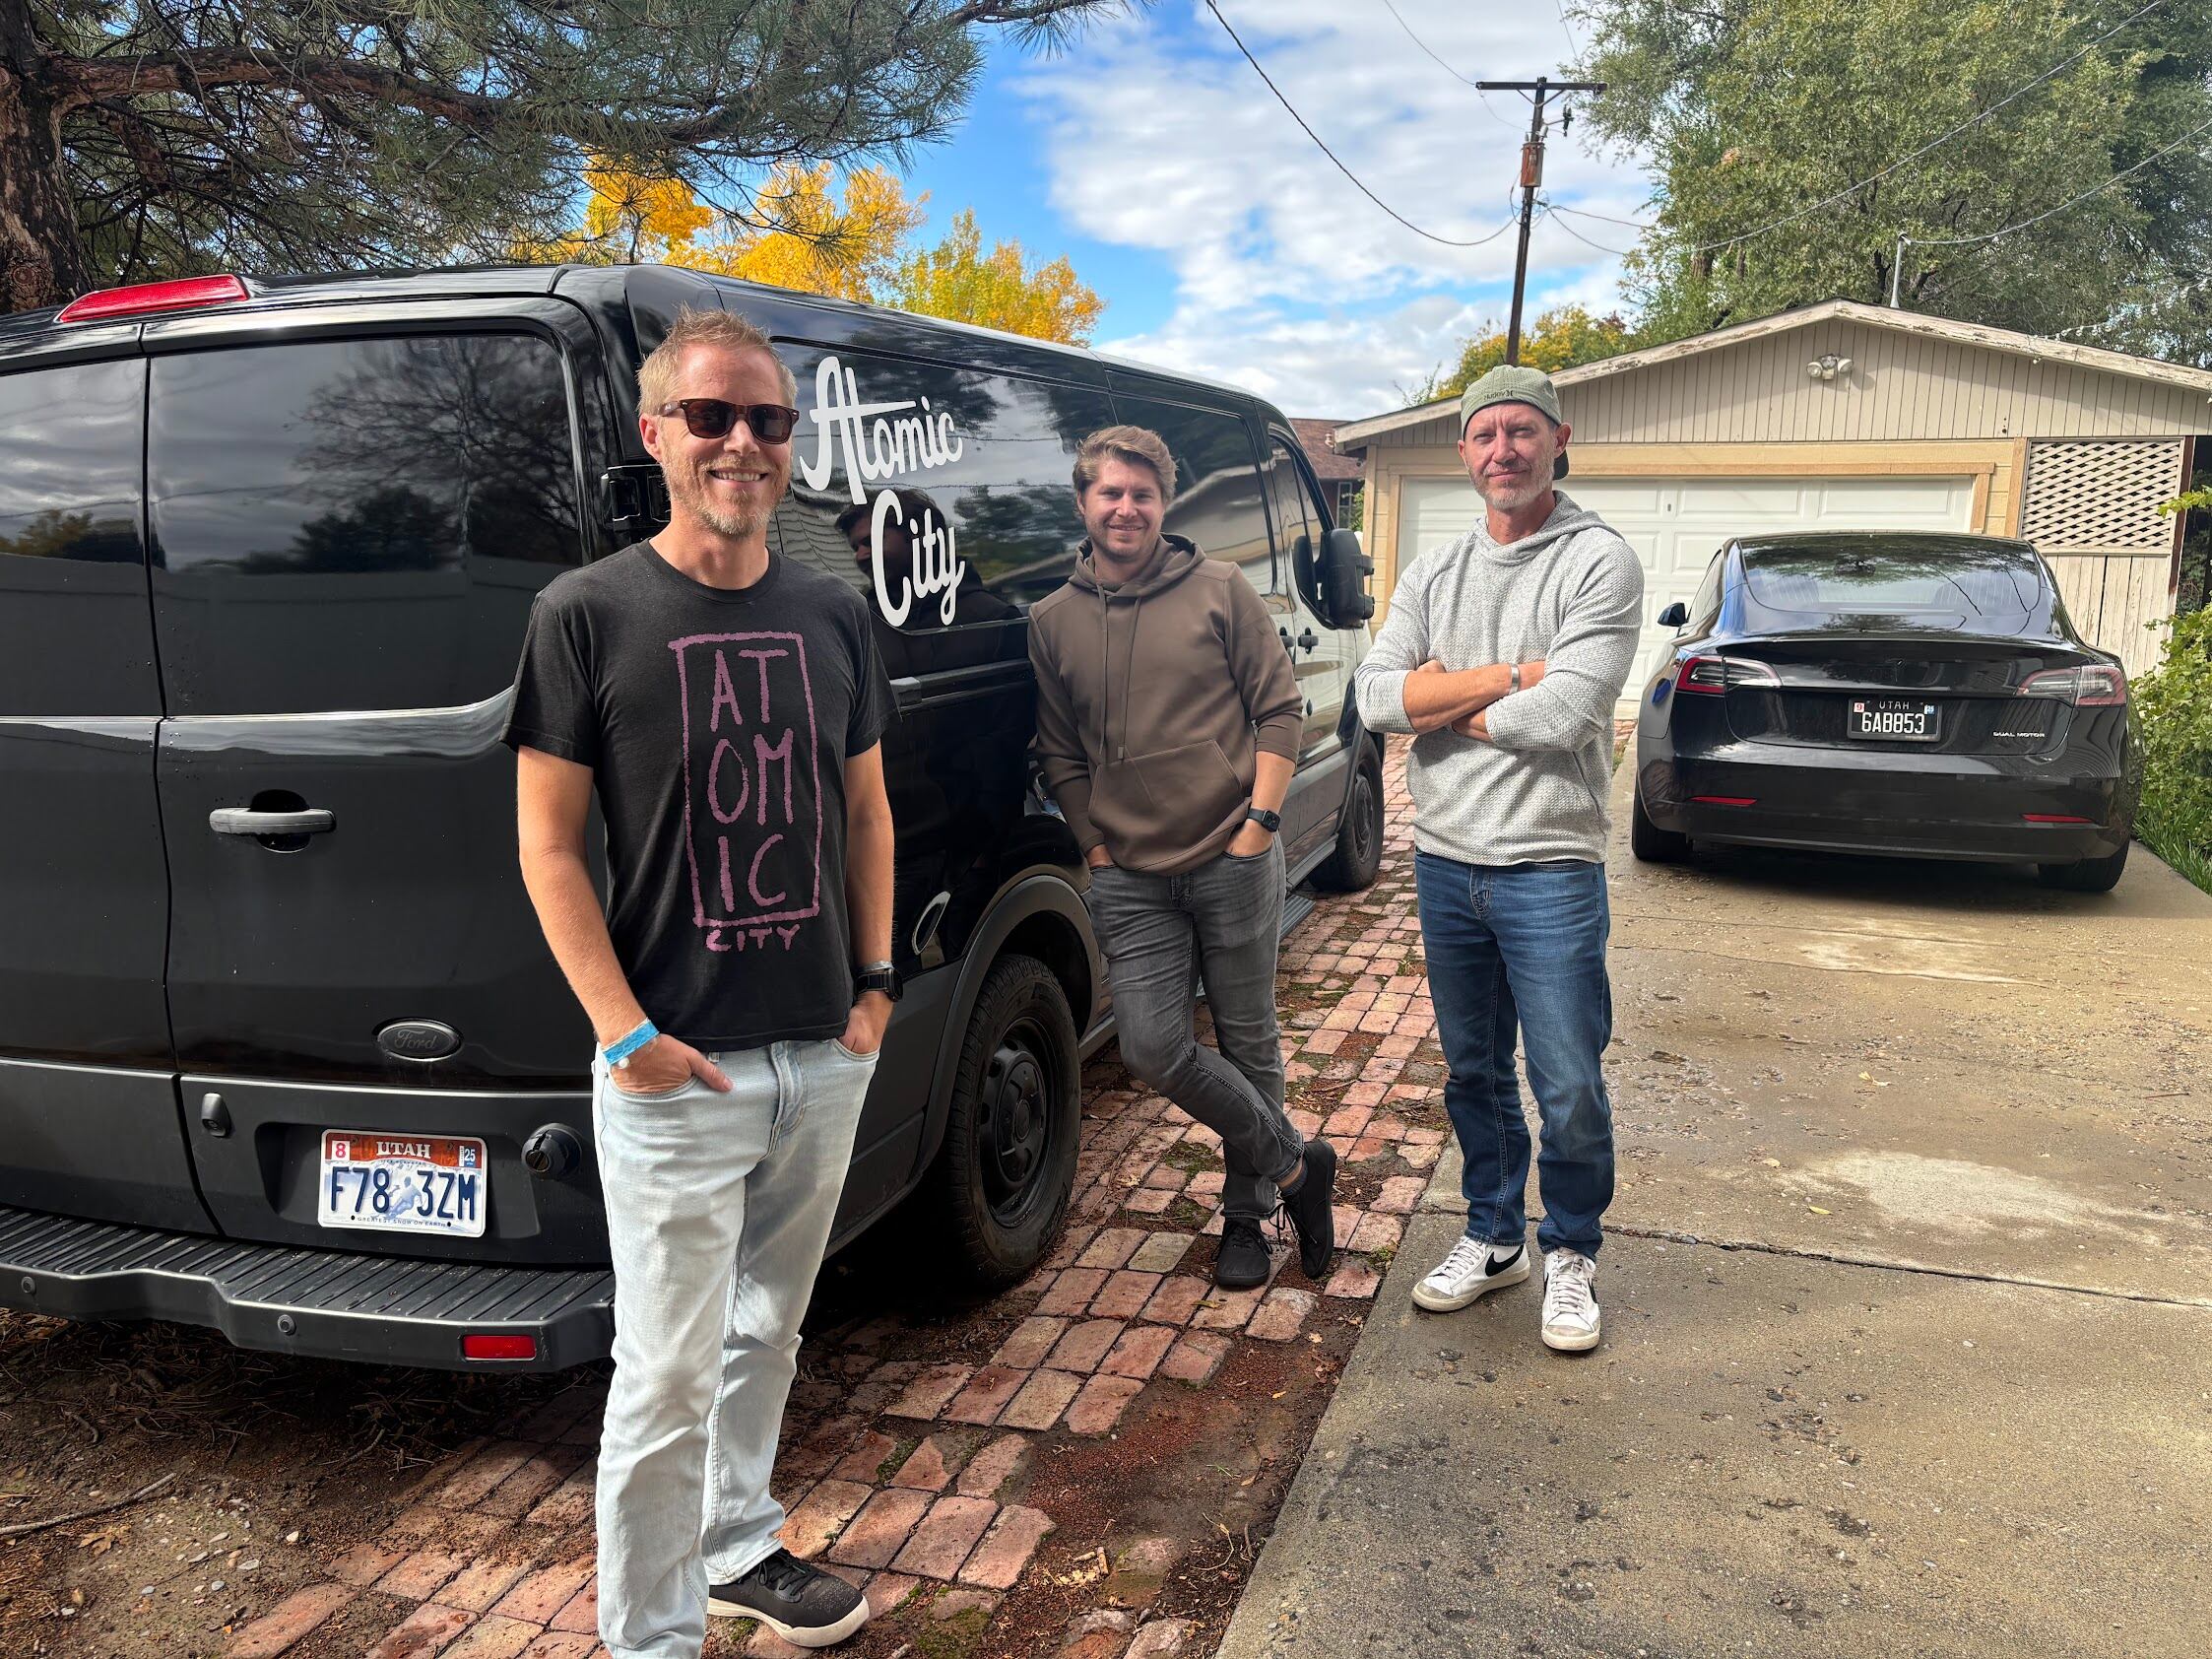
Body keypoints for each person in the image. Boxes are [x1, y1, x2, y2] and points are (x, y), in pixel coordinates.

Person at [505, 307, 894, 1654]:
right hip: (679, 1071)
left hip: (818, 1054)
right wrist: (626, 1035)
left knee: (770, 1334)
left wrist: (876, 990)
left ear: (791, 445)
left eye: (768, 420)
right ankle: (650, 1638)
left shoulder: (832, 610)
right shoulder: (585, 613)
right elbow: (547, 848)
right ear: (654, 433)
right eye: (714, 416)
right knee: (662, 1378)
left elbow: (865, 816)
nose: (742, 441)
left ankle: (737, 1545)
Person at [1350, 365, 1643, 1354]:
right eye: (1484, 435)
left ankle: (1568, 1250)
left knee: (1564, 1078)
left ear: (1559, 440)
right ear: (1462, 451)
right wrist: (1507, 678)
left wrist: (1446, 700)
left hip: (1549, 867)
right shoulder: (1436, 570)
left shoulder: (1597, 562)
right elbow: (1374, 699)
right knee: (1472, 1072)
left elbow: (1565, 715)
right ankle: (1490, 1234)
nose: (1502, 451)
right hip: (1443, 860)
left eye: (1521, 432)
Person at [1028, 425, 1337, 1291]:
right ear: (1084, 501)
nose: (1126, 508)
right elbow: (1058, 752)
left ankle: (1246, 1218)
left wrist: (1260, 826)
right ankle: (1296, 1166)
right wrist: (1094, 846)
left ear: (1164, 504)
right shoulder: (1052, 622)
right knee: (1154, 1049)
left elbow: (1280, 710)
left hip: (1233, 856)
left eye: (1143, 494)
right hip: (1129, 874)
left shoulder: (1219, 589)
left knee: (1248, 1041)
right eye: (1110, 493)